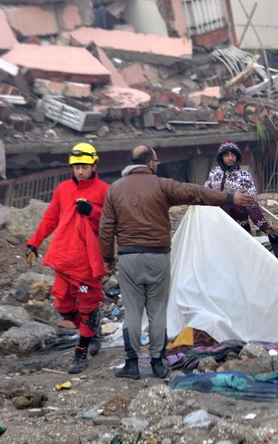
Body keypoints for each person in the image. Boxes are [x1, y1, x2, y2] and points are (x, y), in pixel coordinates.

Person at [99, 145, 254, 380]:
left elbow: (106, 228)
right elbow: (196, 193)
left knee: (132, 311)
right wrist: (231, 197)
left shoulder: (115, 190)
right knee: (157, 311)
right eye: (156, 161)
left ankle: (131, 365)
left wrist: (108, 259)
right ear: (150, 163)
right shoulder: (162, 185)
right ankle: (158, 365)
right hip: (158, 256)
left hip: (129, 257)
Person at [26, 142, 110, 374]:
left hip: (88, 260)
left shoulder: (104, 190)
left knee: (87, 306)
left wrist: (91, 212)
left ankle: (80, 352)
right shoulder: (63, 189)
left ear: (94, 164)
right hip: (63, 256)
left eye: (84, 166)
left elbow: (111, 222)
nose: (80, 171)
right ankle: (91, 330)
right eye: (76, 167)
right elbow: (50, 218)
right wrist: (33, 242)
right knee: (62, 304)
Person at [204, 140, 278, 238]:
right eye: (226, 155)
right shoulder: (214, 173)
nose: (230, 158)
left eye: (233, 155)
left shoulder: (244, 177)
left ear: (238, 157)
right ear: (221, 157)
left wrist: (264, 226)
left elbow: (252, 204)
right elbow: (205, 194)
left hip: (239, 227)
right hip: (218, 225)